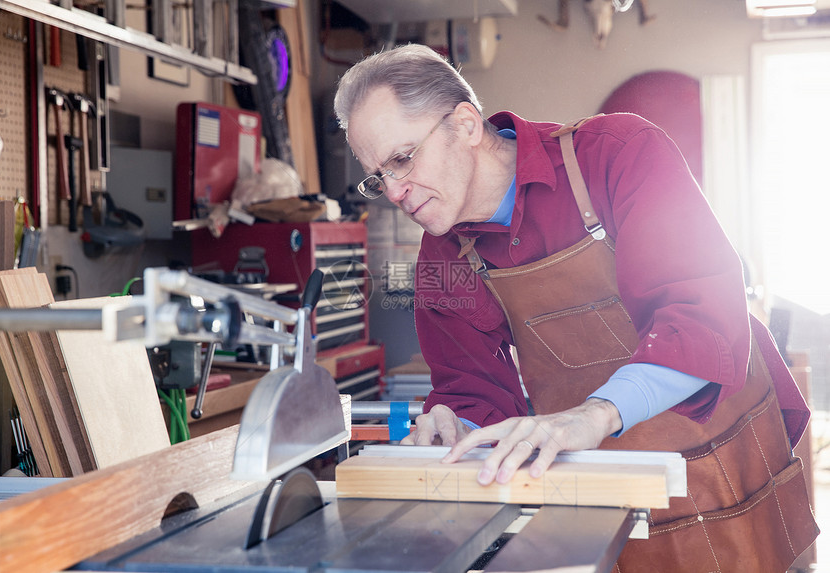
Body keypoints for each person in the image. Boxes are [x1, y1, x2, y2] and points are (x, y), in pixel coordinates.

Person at [333, 44, 818, 572]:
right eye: (378, 177)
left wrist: (594, 415)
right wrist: (460, 425)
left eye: (403, 159)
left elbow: (698, 316)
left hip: (729, 459)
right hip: (600, 495)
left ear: (467, 124)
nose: (396, 192)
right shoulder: (443, 257)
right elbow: (474, 390)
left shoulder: (617, 153)